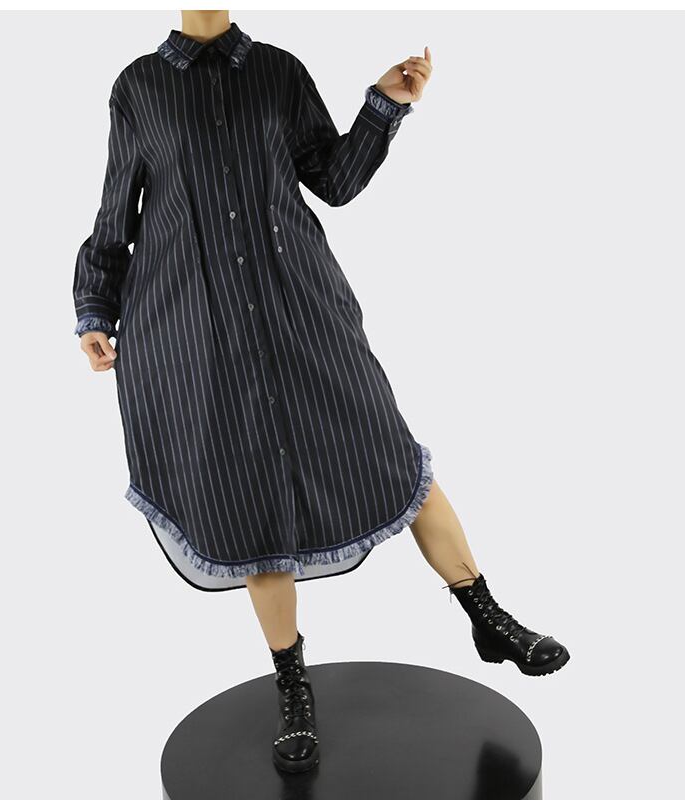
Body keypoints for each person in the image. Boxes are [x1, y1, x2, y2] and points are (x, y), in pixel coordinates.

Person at [72, 10, 569, 774]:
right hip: (199, 331)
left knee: (389, 454)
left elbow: (332, 179)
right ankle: (292, 687)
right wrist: (95, 308)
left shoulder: (277, 71)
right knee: (250, 506)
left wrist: (384, 105)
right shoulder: (138, 89)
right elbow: (117, 216)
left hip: (300, 309)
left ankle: (487, 618)